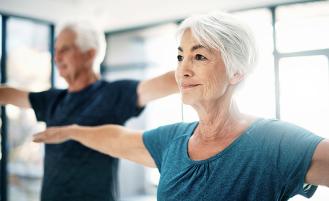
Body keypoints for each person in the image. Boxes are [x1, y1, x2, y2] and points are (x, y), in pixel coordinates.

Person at [33, 12, 329, 201]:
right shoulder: (174, 141)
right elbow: (118, 139)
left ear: (236, 72)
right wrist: (71, 130)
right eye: (180, 57)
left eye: (199, 57)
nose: (183, 70)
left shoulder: (273, 142)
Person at [0, 22, 178, 201]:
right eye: (56, 50)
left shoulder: (112, 94)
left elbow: (163, 84)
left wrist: (198, 69)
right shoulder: (53, 99)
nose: (57, 57)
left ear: (90, 54)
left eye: (65, 49)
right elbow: (6, 94)